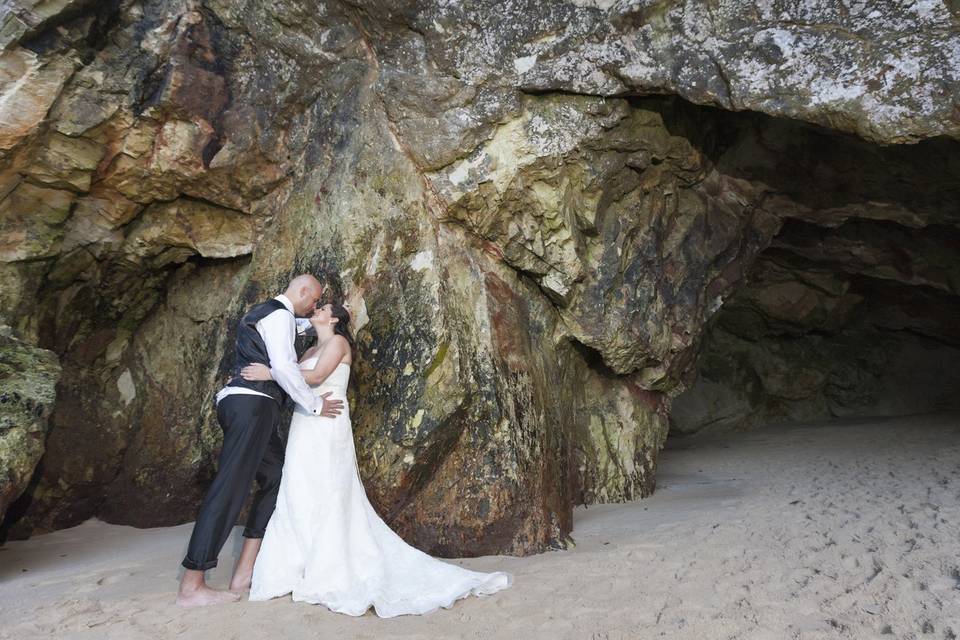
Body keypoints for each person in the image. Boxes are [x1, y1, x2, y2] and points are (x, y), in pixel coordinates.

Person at [240, 302, 512, 616]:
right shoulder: (310, 347)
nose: (315, 309)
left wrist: (270, 372)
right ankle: (295, 565)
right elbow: (296, 381)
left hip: (327, 426)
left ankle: (328, 565)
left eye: (323, 307)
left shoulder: (338, 342)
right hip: (305, 424)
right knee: (299, 489)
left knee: (329, 490)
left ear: (335, 318)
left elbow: (314, 377)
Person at [176, 274, 345, 608]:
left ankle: (245, 570)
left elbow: (304, 329)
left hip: (252, 406)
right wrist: (315, 405)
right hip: (251, 405)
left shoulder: (269, 314)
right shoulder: (278, 314)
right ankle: (192, 584)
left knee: (276, 477)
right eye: (313, 301)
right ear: (303, 291)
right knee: (230, 487)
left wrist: (328, 320)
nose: (312, 308)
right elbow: (284, 367)